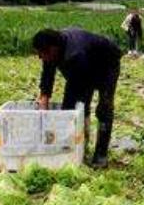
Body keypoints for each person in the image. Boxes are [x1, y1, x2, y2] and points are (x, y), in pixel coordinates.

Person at [33, 28, 122, 169]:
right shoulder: (50, 51)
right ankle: (82, 147)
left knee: (103, 109)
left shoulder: (75, 54)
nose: (40, 57)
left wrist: (64, 119)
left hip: (107, 64)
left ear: (53, 49)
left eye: (42, 53)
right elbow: (47, 76)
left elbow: (72, 92)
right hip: (85, 63)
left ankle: (100, 155)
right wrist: (43, 101)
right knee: (81, 105)